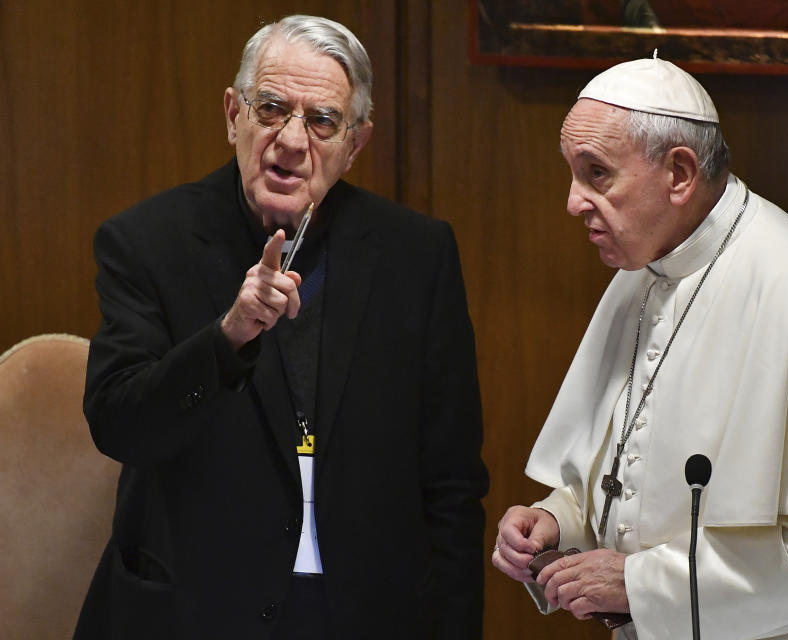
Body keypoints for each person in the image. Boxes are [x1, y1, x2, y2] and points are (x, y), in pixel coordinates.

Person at [492, 56, 788, 639]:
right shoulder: (647, 268)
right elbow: (630, 472)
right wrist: (558, 519)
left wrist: (639, 584)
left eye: (596, 173)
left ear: (679, 174)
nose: (574, 201)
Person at [75, 15, 487, 640]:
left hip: (365, 612)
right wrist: (227, 337)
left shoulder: (416, 255)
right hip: (196, 612)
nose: (292, 140)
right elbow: (119, 425)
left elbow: (452, 482)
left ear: (357, 142)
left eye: (322, 120)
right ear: (232, 113)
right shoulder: (145, 242)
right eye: (271, 108)